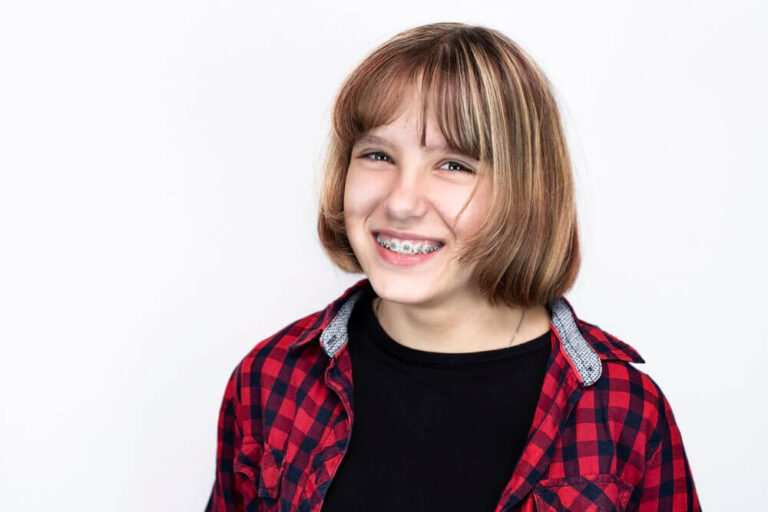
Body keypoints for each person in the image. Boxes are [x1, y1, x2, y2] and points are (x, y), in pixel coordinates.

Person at [205, 22, 700, 511]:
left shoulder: (622, 412)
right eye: (377, 155)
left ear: (525, 192)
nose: (401, 202)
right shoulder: (270, 381)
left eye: (454, 165)